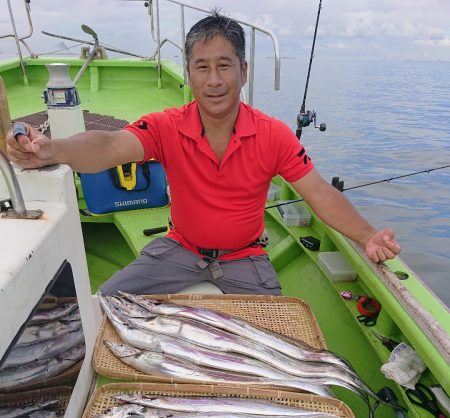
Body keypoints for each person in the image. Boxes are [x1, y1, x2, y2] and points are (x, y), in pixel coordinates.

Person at [6, 10, 400, 296]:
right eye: (202, 67)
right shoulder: (165, 125)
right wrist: (53, 149)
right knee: (106, 304)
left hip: (246, 257)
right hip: (179, 248)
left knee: (277, 335)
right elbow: (109, 147)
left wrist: (367, 234)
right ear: (190, 72)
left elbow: (320, 194)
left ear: (243, 71)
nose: (214, 80)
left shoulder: (275, 136)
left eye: (224, 66)